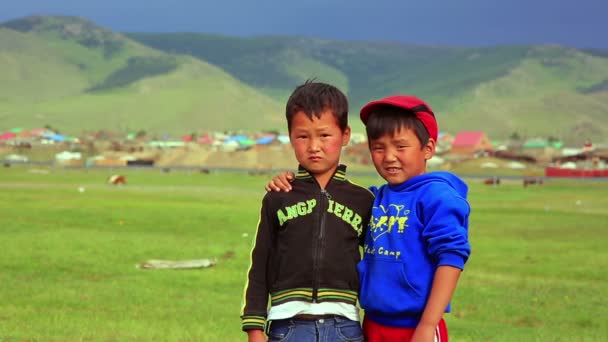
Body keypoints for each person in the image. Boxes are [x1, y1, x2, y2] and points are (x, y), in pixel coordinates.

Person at [266, 95, 472, 342]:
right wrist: (295, 183)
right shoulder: (375, 199)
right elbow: (333, 210)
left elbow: (452, 256)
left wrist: (428, 324)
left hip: (417, 326)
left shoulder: (437, 196)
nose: (389, 156)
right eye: (378, 147)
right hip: (373, 324)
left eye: (400, 146)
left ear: (428, 148)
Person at [241, 80, 374, 342]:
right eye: (303, 136)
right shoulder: (279, 197)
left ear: (345, 135)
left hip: (344, 327)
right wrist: (254, 328)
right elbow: (260, 264)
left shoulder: (363, 200)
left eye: (324, 135)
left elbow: (377, 265)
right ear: (291, 137)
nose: (314, 146)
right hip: (287, 327)